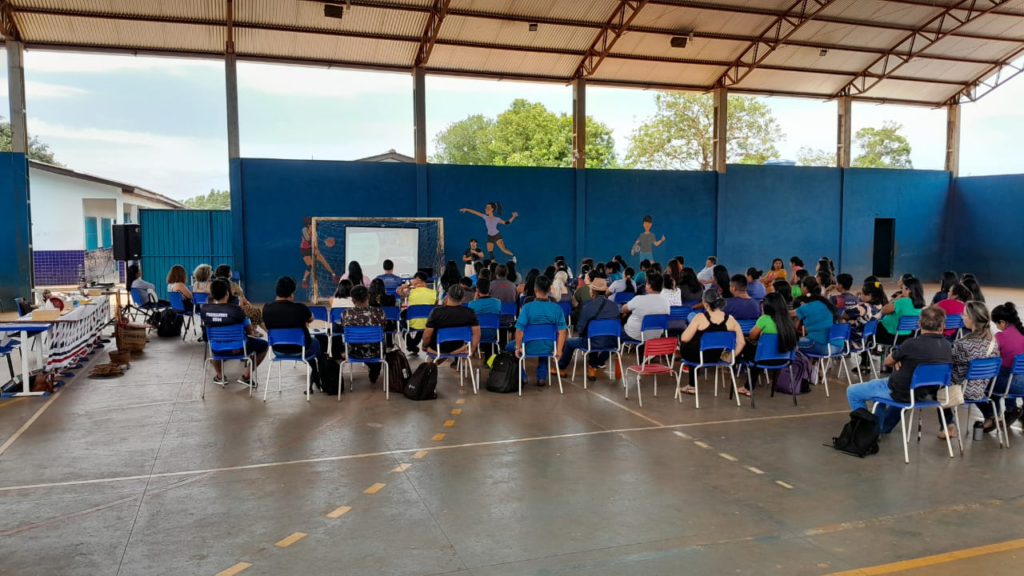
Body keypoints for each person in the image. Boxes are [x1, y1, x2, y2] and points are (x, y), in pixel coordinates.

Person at [847, 306, 952, 415]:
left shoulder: (911, 344)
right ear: (942, 326)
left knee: (852, 391)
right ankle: (881, 425)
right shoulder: (947, 346)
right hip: (923, 392)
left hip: (899, 391)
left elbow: (887, 362)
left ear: (919, 324)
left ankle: (865, 425)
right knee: (878, 392)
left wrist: (898, 360)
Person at [937, 301, 999, 439]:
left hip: (961, 391)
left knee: (940, 388)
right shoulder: (993, 342)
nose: (961, 317)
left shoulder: (962, 344)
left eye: (964, 314)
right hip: (982, 390)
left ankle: (948, 425)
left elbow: (948, 363)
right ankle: (991, 414)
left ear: (971, 318)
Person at [200, 278, 269, 387]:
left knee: (211, 348)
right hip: (239, 349)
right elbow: (250, 331)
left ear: (211, 294)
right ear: (227, 293)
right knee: (264, 345)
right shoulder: (237, 310)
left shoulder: (204, 310)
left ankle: (220, 376)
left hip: (217, 350)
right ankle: (246, 376)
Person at [678, 289, 745, 395]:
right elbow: (741, 342)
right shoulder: (731, 320)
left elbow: (684, 338)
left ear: (705, 304)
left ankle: (692, 385)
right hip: (717, 356)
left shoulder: (699, 318)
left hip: (697, 356)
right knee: (696, 344)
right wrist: (730, 357)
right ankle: (691, 385)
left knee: (690, 343)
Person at [508, 275, 567, 386]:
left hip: (528, 346)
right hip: (549, 346)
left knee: (508, 347)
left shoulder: (527, 307)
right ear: (550, 290)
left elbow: (519, 330)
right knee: (544, 349)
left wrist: (517, 347)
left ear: (535, 290)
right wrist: (559, 351)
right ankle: (541, 378)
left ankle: (523, 376)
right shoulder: (557, 308)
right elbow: (562, 331)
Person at [557, 278, 621, 381]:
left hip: (593, 342)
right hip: (613, 342)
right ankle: (593, 366)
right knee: (595, 339)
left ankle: (561, 368)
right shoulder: (614, 306)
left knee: (570, 342)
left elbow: (580, 328)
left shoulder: (588, 307)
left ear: (592, 293)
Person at [263, 276, 323, 384]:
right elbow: (311, 318)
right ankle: (319, 374)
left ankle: (315, 371)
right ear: (292, 293)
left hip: (278, 350)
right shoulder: (300, 308)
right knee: (317, 342)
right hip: (300, 349)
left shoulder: (266, 309)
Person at [738, 292, 798, 396]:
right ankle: (748, 386)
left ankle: (731, 363)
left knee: (745, 343)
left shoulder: (764, 319)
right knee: (759, 353)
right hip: (784, 360)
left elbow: (752, 336)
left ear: (767, 306)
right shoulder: (788, 321)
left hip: (762, 359)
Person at [422, 285, 480, 365]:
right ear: (463, 298)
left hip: (438, 348)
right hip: (458, 348)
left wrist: (424, 346)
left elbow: (427, 335)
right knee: (455, 348)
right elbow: (477, 334)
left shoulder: (436, 312)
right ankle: (433, 367)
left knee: (431, 352)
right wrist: (471, 350)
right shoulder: (470, 312)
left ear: (447, 295)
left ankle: (430, 370)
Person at [341, 286, 387, 383]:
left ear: (353, 300)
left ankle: (372, 367)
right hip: (376, 352)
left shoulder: (345, 313)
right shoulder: (380, 312)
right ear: (368, 296)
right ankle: (374, 368)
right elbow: (384, 327)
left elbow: (343, 326)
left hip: (354, 352)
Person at [992, 303, 1024, 429]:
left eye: (996, 323)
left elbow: (991, 355)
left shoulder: (1001, 337)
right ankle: (1012, 410)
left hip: (1010, 381)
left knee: (992, 380)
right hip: (1021, 380)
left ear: (1002, 322)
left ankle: (1000, 413)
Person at [794, 277, 839, 356]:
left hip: (822, 346)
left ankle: (800, 368)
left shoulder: (808, 306)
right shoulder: (825, 303)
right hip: (838, 346)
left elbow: (789, 313)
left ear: (806, 288)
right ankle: (811, 367)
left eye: (802, 286)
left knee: (789, 345)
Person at [396, 271, 437, 355]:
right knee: (423, 323)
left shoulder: (410, 292)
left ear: (418, 280)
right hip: (428, 324)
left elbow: (398, 290)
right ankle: (413, 345)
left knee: (402, 324)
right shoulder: (434, 293)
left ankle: (411, 345)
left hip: (412, 323)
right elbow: (434, 308)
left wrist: (409, 284)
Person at [877, 276, 926, 346]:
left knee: (870, 333)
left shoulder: (902, 301)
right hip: (908, 337)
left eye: (903, 288)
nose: (902, 290)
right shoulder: (920, 304)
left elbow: (884, 310)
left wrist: (896, 299)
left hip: (892, 336)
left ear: (908, 289)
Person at [622, 272, 670, 342]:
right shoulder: (666, 302)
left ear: (650, 286)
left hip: (634, 335)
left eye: (646, 283)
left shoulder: (639, 299)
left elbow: (624, 309)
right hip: (655, 337)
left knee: (616, 328)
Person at [214, 264, 262, 329]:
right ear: (228, 274)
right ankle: (254, 330)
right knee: (256, 311)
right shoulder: (233, 286)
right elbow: (243, 300)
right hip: (234, 310)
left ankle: (254, 330)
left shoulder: (214, 285)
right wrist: (250, 306)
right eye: (230, 271)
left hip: (218, 309)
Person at [300, 216, 339, 290]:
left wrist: (318, 249)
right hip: (305, 250)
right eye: (314, 225)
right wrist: (322, 244)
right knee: (311, 266)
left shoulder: (315, 232)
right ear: (308, 225)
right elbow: (310, 241)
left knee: (324, 261)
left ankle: (333, 275)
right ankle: (304, 280)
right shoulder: (304, 231)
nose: (316, 226)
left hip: (312, 249)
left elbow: (315, 244)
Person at [468, 278, 501, 355]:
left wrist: (475, 298)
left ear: (477, 290)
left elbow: (470, 319)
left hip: (475, 335)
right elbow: (498, 316)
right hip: (492, 333)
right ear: (489, 289)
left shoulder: (471, 304)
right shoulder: (497, 302)